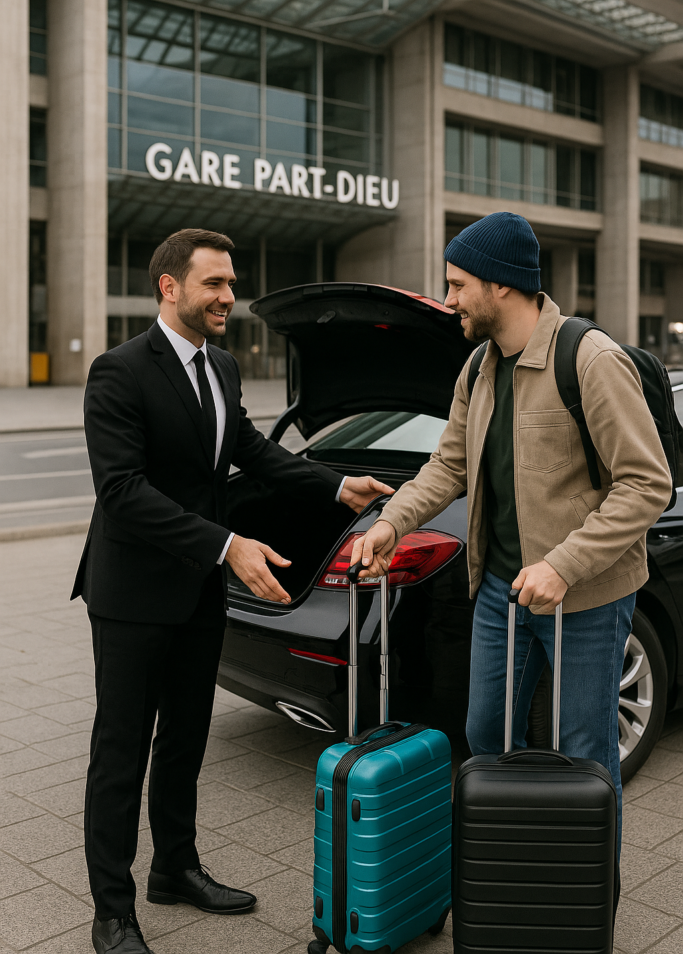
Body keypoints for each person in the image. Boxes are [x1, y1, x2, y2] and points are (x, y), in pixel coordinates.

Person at [72, 228, 394, 954]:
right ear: (170, 287)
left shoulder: (221, 365)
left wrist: (335, 483)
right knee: (122, 750)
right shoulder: (116, 371)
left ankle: (176, 869)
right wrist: (226, 544)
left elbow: (245, 449)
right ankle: (112, 911)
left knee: (184, 739)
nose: (229, 297)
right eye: (215, 283)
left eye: (230, 282)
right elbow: (122, 492)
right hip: (130, 596)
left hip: (196, 594)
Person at [351, 210, 671, 857]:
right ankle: (508, 874)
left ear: (499, 284)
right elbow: (448, 466)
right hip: (500, 592)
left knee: (584, 752)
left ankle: (584, 905)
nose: (447, 300)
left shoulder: (589, 358)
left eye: (456, 283)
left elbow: (645, 483)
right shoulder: (478, 369)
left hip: (584, 597)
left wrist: (562, 564)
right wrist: (391, 521)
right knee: (486, 735)